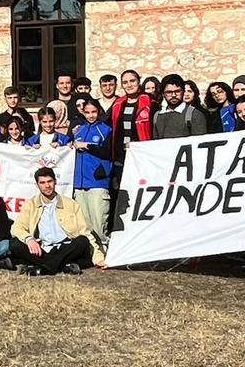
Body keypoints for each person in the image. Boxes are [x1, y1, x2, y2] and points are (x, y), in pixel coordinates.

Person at [9, 167, 102, 276]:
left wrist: (98, 258)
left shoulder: (71, 204)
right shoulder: (31, 204)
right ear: (37, 185)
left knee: (82, 241)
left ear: (55, 182)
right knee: (14, 244)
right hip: (42, 249)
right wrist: (29, 239)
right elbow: (17, 228)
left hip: (66, 249)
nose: (47, 186)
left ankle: (43, 268)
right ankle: (63, 266)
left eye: (50, 181)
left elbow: (85, 232)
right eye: (42, 183)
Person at [107, 70, 153, 232]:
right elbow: (106, 126)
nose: (129, 85)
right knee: (122, 195)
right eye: (125, 82)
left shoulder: (149, 103)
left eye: (132, 81)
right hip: (121, 158)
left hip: (140, 158)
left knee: (141, 193)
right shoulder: (118, 104)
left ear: (139, 82)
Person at [68, 99, 113, 242]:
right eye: (87, 112)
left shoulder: (105, 129)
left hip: (97, 182)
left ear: (99, 111)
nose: (90, 115)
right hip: (79, 183)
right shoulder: (79, 130)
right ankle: (92, 257)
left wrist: (86, 145)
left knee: (99, 225)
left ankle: (106, 253)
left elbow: (107, 152)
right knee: (85, 226)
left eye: (93, 112)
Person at [152, 73, 209, 140]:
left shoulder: (194, 114)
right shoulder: (157, 116)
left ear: (183, 92)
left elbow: (199, 144)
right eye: (169, 92)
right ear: (163, 94)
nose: (173, 95)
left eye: (177, 91)